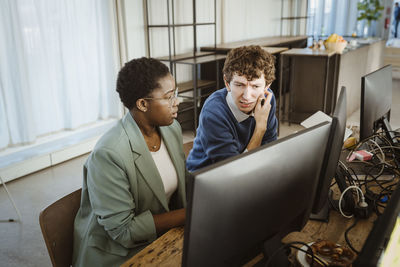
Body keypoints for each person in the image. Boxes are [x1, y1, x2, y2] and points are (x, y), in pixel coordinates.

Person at [72, 57, 187, 267]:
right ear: (142, 104)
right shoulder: (109, 154)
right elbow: (123, 231)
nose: (177, 102)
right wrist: (188, 215)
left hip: (158, 236)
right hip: (118, 253)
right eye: (169, 97)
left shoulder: (171, 129)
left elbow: (182, 187)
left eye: (176, 94)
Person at [186, 45, 278, 172]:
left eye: (255, 86)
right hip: (207, 176)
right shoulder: (214, 113)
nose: (247, 96)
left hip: (245, 173)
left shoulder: (267, 100)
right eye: (239, 85)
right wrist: (260, 128)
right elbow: (235, 170)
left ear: (266, 86)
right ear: (227, 83)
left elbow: (269, 149)